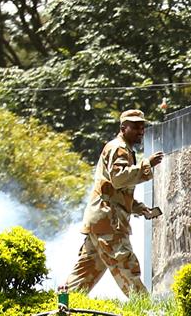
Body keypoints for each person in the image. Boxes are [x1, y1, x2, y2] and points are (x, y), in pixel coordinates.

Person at [62, 109, 164, 296]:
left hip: (101, 221)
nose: (140, 131)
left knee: (84, 274)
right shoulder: (119, 148)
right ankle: (144, 309)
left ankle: (60, 306)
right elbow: (118, 179)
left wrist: (140, 208)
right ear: (123, 128)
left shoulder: (123, 149)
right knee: (126, 265)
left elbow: (114, 190)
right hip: (109, 224)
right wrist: (146, 165)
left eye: (142, 127)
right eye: (134, 127)